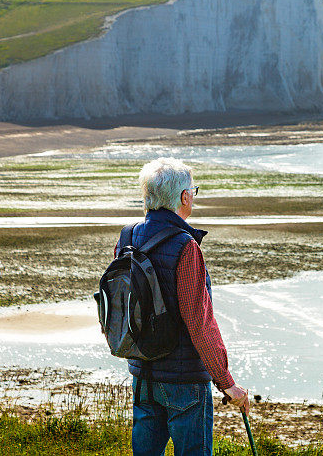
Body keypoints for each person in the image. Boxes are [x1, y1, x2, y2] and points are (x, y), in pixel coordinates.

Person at [117, 157, 250, 456]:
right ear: (185, 197)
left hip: (143, 374)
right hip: (184, 381)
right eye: (194, 191)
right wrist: (227, 382)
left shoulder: (127, 236)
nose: (194, 196)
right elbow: (198, 322)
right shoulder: (185, 246)